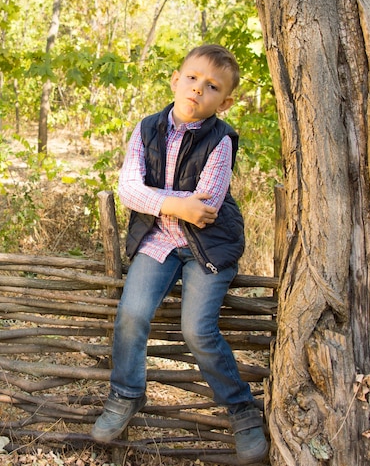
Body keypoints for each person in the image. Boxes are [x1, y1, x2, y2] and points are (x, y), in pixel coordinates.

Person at [91, 44, 269, 464]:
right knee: (132, 315)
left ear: (223, 102)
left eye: (211, 87)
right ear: (175, 79)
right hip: (159, 240)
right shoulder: (147, 128)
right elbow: (128, 189)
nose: (197, 90)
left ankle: (241, 409)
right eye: (192, 78)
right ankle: (126, 393)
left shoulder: (221, 140)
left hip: (206, 246)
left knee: (198, 330)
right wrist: (176, 204)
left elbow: (206, 206)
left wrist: (162, 200)